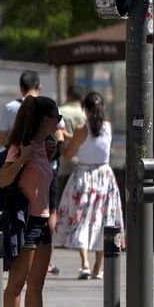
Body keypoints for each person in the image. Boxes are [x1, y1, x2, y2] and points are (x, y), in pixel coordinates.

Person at [0, 95, 71, 307]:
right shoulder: (22, 145)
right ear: (44, 119)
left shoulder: (44, 145)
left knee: (36, 284)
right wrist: (22, 158)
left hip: (42, 221)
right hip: (24, 220)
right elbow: (3, 180)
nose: (60, 123)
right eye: (57, 119)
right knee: (16, 283)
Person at [53, 92, 124, 279]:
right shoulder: (108, 126)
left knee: (82, 219)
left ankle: (84, 263)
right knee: (102, 221)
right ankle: (97, 268)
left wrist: (64, 141)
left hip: (85, 176)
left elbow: (68, 155)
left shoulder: (81, 129)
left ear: (85, 109)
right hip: (105, 176)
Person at [0, 70, 41, 147]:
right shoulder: (52, 106)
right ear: (39, 87)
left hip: (19, 157)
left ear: (21, 88)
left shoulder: (11, 107)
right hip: (44, 157)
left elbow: (0, 141)